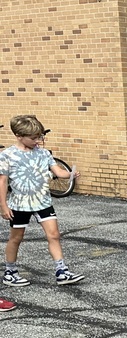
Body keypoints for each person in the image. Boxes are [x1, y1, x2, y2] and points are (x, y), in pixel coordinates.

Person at [0, 116, 83, 287]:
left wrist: (70, 174)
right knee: (16, 238)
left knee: (54, 235)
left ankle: (62, 271)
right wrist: (4, 205)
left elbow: (58, 172)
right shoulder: (7, 155)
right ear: (18, 135)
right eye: (33, 138)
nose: (38, 141)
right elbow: (2, 182)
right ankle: (10, 272)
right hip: (19, 204)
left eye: (40, 137)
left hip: (43, 202)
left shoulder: (44, 154)